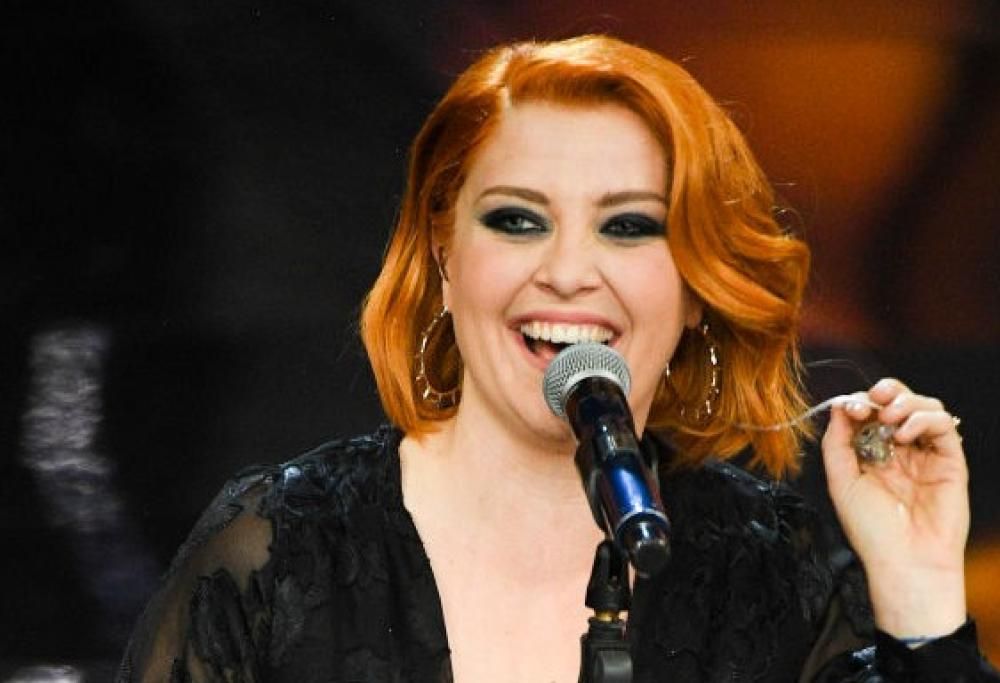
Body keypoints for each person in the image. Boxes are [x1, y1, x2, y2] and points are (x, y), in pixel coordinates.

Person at [117, 35, 998, 682]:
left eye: (629, 225)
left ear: (697, 285)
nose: (570, 271)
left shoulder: (767, 569)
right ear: (444, 257)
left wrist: (920, 594)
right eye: (518, 219)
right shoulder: (276, 551)